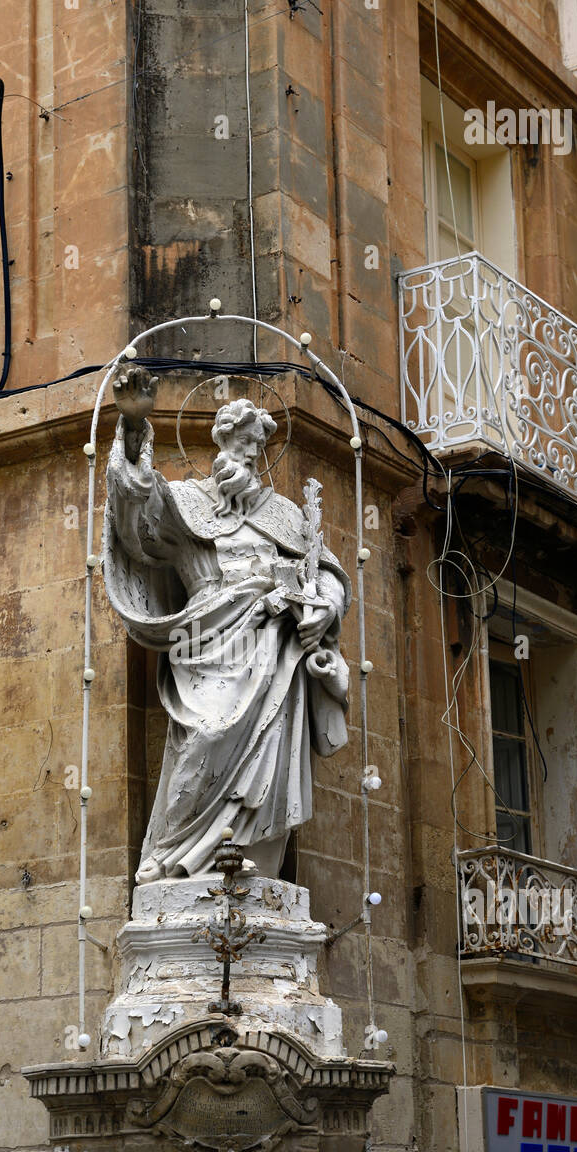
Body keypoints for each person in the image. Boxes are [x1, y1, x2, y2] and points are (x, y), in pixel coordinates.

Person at [102, 366, 351, 883]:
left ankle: (253, 860)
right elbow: (135, 519)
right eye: (233, 444)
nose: (240, 456)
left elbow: (325, 572)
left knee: (272, 751)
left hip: (274, 647)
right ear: (216, 446)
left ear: (260, 455)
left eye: (250, 448)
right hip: (206, 642)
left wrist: (325, 606)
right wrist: (131, 429)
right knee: (205, 735)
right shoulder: (189, 505)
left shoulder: (285, 514)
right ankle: (171, 857)